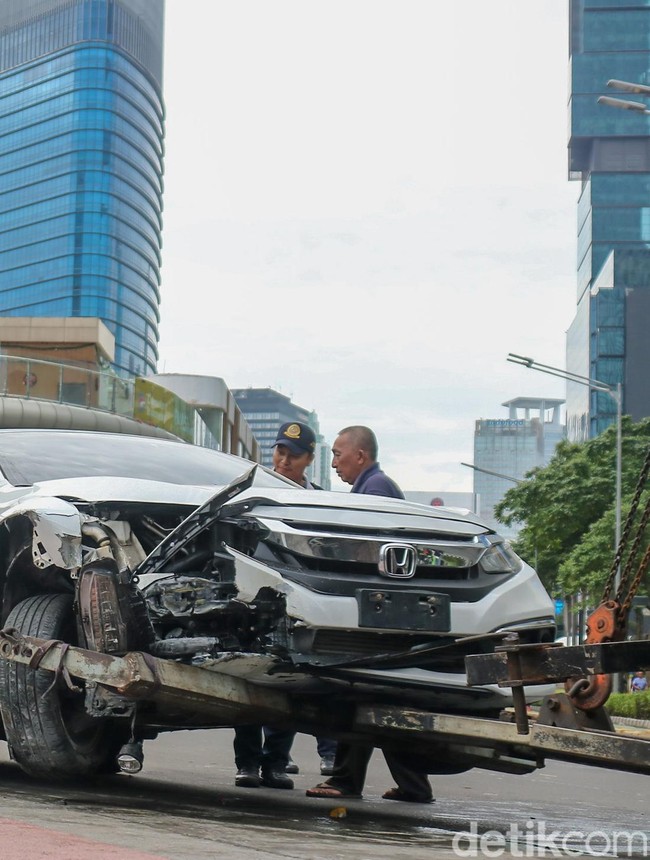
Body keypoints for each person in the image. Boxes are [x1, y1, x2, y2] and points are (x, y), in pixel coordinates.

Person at [306, 426, 433, 803]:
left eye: (339, 454)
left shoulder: (375, 490)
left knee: (354, 693)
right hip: (386, 610)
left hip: (377, 611)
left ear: (360, 456)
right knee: (382, 701)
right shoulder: (373, 486)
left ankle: (346, 781)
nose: (335, 462)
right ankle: (413, 785)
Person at [233, 422, 336, 788]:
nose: (284, 460)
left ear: (309, 458)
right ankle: (246, 762)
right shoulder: (253, 492)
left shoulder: (322, 501)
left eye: (293, 455)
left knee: (286, 682)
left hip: (297, 600)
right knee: (246, 678)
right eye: (280, 451)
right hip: (252, 598)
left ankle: (275, 763)